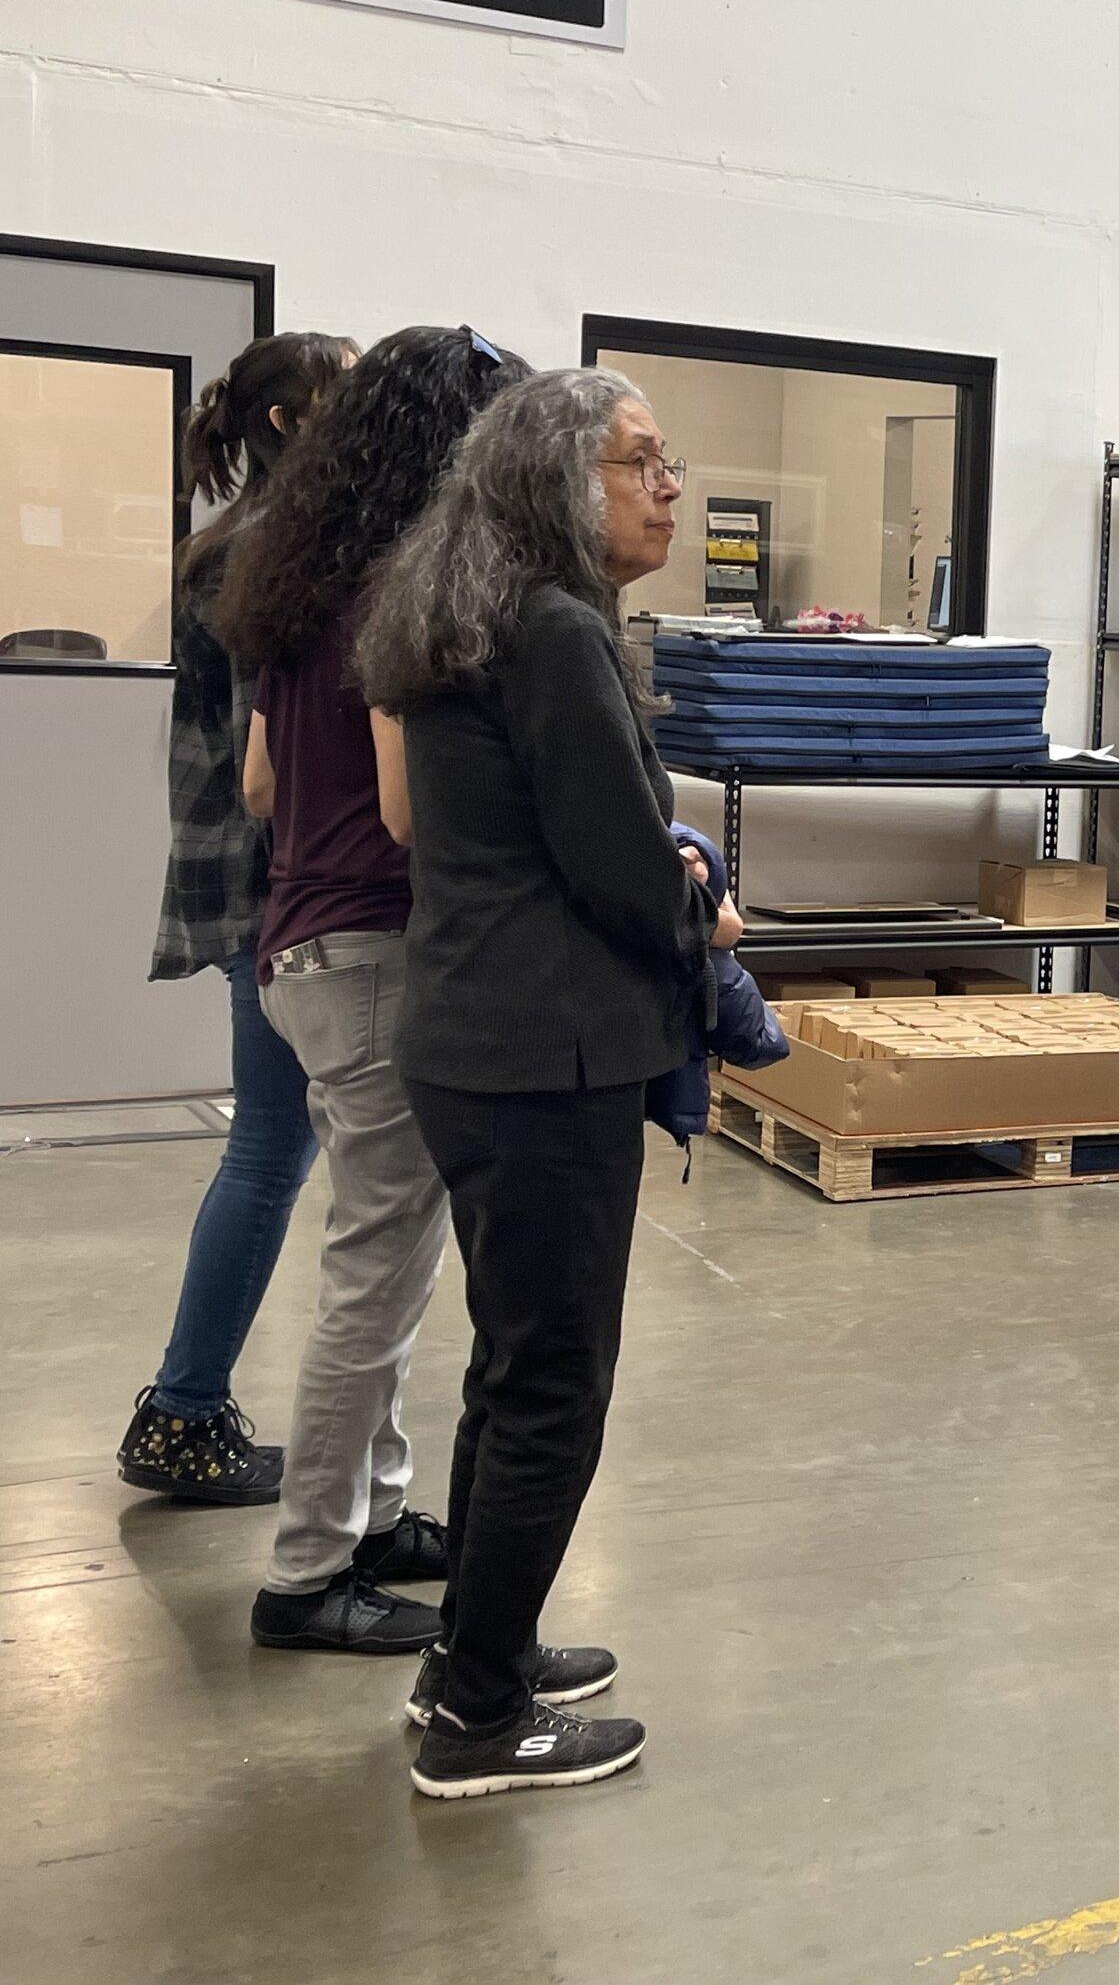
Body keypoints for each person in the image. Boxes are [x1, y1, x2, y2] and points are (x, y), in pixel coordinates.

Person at [356, 368, 741, 1799]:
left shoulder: (466, 609)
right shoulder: (556, 628)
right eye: (640, 460)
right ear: (553, 478)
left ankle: (475, 1649)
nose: (669, 485)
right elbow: (615, 858)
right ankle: (477, 1718)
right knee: (554, 1386)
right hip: (547, 1053)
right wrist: (696, 900)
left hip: (478, 1041)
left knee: (513, 1368)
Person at [216, 324, 531, 1654]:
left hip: (299, 938)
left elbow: (261, 785)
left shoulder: (300, 572)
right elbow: (411, 812)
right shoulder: (404, 586)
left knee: (382, 1252)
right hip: (372, 955)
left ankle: (376, 1513)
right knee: (378, 1275)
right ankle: (305, 1572)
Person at [120, 332, 358, 1504]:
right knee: (271, 1151)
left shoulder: (233, 543)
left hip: (258, 881)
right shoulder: (271, 555)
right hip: (274, 886)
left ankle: (184, 1404)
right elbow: (278, 766)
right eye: (341, 396)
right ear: (282, 422)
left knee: (273, 1147)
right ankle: (183, 1411)